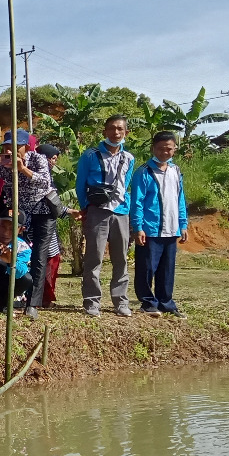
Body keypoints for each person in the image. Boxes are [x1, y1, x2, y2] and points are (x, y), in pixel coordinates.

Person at [0, 129, 54, 318]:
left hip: (42, 211)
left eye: (15, 147)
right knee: (14, 252)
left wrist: (22, 170)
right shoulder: (2, 163)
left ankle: (33, 304)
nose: (9, 151)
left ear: (26, 147)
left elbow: (46, 183)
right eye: (6, 147)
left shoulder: (38, 159)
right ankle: (10, 296)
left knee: (38, 256)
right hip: (19, 214)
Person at [76, 114, 137, 317]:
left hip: (121, 212)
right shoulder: (90, 155)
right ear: (105, 131)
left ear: (126, 132)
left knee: (121, 259)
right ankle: (91, 302)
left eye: (120, 129)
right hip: (97, 212)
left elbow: (125, 184)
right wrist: (88, 207)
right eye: (112, 128)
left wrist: (123, 206)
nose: (116, 132)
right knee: (94, 258)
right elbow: (80, 185)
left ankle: (121, 302)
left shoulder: (129, 158)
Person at [130, 131, 188, 317]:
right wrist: (138, 227)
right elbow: (137, 201)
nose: (165, 152)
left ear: (174, 149)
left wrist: (183, 224)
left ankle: (166, 302)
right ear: (153, 149)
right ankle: (148, 303)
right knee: (146, 268)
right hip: (150, 229)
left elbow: (180, 199)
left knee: (167, 270)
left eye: (169, 149)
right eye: (161, 148)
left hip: (171, 229)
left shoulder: (175, 171)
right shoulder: (144, 171)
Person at [35, 143, 65, 304]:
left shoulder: (50, 176)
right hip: (38, 225)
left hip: (49, 226)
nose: (53, 162)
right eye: (52, 158)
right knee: (43, 262)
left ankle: (46, 297)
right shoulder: (37, 176)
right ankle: (40, 297)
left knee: (51, 261)